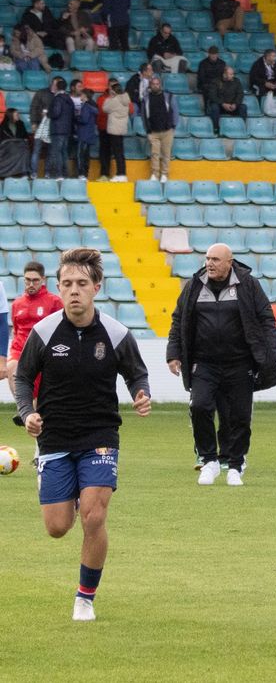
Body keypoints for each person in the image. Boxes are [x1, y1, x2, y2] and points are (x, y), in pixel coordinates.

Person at [11, 249, 151, 622]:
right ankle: (68, 494)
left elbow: (137, 373)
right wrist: (28, 414)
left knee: (94, 517)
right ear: (58, 288)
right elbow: (22, 379)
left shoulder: (117, 333)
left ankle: (84, 597)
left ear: (97, 288)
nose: (75, 291)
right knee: (58, 528)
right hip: (55, 437)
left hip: (100, 434)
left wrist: (141, 394)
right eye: (68, 284)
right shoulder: (43, 333)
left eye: (82, 284)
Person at [166, 243, 276, 486]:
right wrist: (173, 352)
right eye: (208, 258)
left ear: (230, 262)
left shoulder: (248, 285)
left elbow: (266, 319)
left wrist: (267, 355)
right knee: (199, 407)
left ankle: (235, 464)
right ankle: (209, 460)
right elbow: (178, 319)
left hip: (240, 363)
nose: (210, 263)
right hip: (204, 363)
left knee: (239, 416)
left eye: (216, 259)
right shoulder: (194, 285)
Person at [8, 262, 63, 383]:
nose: (31, 284)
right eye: (27, 280)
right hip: (20, 351)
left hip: (43, 353)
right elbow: (16, 331)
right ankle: (22, 402)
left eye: (35, 280)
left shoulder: (55, 302)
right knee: (12, 368)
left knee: (38, 400)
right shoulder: (17, 303)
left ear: (43, 279)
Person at [139, 75, 177, 183]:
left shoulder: (168, 96)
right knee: (154, 154)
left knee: (166, 154)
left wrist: (173, 126)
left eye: (157, 84)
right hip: (153, 132)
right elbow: (143, 115)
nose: (155, 86)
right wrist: (147, 130)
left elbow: (175, 111)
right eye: (153, 84)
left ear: (160, 85)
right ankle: (154, 174)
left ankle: (164, 174)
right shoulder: (146, 99)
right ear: (150, 85)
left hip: (167, 131)